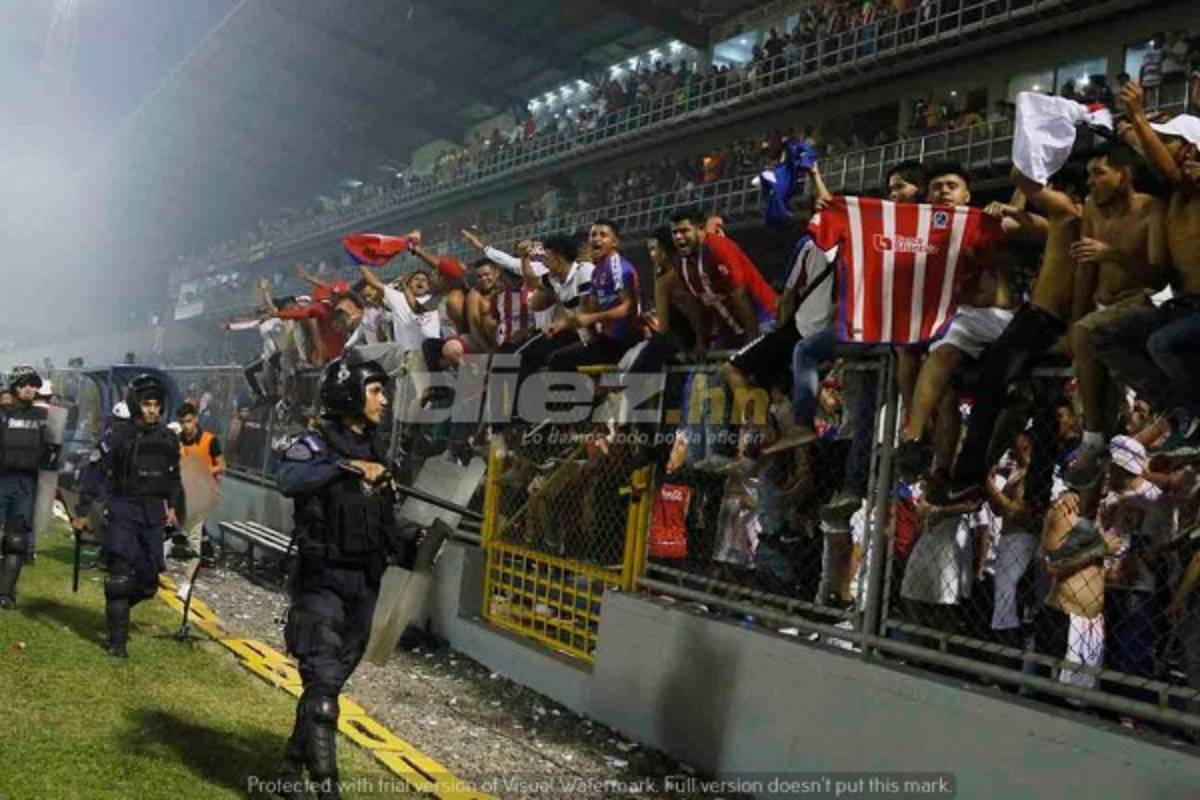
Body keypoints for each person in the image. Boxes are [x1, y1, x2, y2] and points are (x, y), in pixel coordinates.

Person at [272, 355, 417, 799]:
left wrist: (410, 541)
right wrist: (346, 469)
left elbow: (386, 524)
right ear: (350, 393)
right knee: (322, 691)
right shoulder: (316, 447)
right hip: (322, 582)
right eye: (375, 390)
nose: (384, 400)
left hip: (365, 587)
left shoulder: (378, 453)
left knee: (327, 688)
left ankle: (285, 778)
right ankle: (327, 790)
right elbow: (288, 478)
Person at [71, 374, 183, 658]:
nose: (153, 410)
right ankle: (117, 642)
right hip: (123, 510)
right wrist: (83, 510)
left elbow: (173, 478)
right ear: (136, 404)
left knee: (148, 584)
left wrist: (173, 507)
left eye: (157, 405)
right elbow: (94, 472)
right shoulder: (118, 436)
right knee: (120, 579)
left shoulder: (168, 438)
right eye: (147, 404)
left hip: (153, 515)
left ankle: (116, 607)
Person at [0, 367, 55, 608]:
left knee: (16, 540)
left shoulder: (45, 419)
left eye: (33, 385)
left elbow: (52, 453)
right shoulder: (2, 415)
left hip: (26, 483)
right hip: (1, 479)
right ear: (14, 387)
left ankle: (5, 594)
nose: (30, 389)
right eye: (24, 384)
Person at [175, 402, 225, 599]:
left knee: (194, 537)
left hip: (201, 494)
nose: (186, 426)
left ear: (195, 419)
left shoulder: (209, 440)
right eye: (183, 422)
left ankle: (187, 582)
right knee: (175, 531)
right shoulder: (178, 441)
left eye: (189, 421)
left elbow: (221, 466)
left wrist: (202, 472)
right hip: (180, 494)